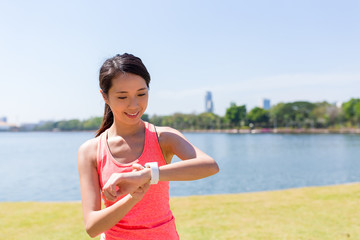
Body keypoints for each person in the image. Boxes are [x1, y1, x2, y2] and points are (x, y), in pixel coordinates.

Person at [77, 53, 219, 240]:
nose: (134, 105)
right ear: (105, 96)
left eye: (142, 94)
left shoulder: (163, 137)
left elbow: (209, 166)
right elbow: (92, 227)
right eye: (122, 97)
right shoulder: (90, 151)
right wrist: (132, 197)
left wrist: (147, 175)